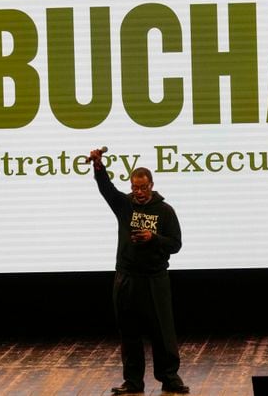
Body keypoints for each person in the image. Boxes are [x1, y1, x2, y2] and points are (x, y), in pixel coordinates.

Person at [89, 149, 190, 395]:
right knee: (129, 332)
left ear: (151, 185)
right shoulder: (125, 206)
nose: (139, 192)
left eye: (143, 187)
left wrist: (153, 238)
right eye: (135, 187)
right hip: (127, 278)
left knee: (162, 332)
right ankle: (133, 382)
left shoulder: (164, 210)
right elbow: (107, 189)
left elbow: (175, 244)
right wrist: (99, 166)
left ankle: (169, 378)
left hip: (155, 279)